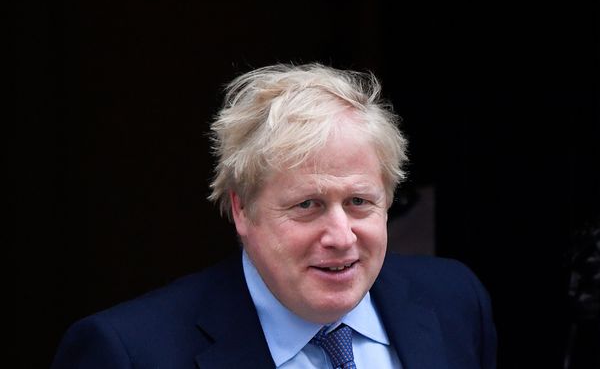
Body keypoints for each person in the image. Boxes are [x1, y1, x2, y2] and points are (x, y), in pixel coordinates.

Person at [52, 62, 497, 368]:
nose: (341, 236)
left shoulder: (454, 301)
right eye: (308, 205)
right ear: (241, 210)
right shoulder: (129, 353)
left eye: (359, 202)